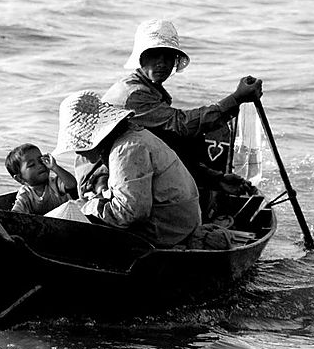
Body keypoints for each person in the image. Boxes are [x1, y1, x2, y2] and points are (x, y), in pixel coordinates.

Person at [96, 19, 262, 216]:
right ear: (141, 58)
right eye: (154, 56)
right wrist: (235, 99)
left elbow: (171, 146)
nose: (162, 64)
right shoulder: (134, 94)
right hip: (106, 179)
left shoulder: (150, 90)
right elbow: (181, 125)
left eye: (168, 58)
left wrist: (216, 179)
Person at [53, 90, 203, 248]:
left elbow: (130, 214)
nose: (77, 151)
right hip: (179, 222)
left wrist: (88, 207)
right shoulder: (129, 140)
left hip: (169, 229)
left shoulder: (126, 150)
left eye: (79, 144)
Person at [0, 143, 78, 215]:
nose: (40, 165)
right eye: (32, 165)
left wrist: (55, 167)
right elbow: (16, 215)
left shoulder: (54, 183)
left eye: (41, 160)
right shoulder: (25, 194)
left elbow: (72, 185)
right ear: (19, 178)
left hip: (67, 218)